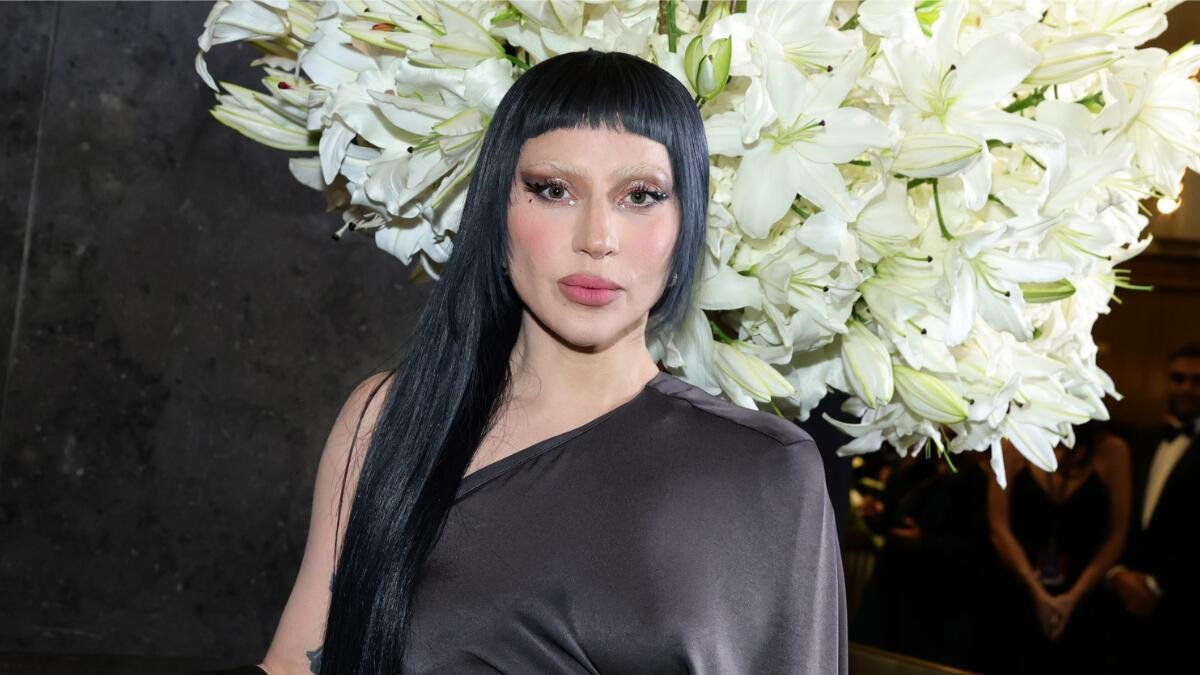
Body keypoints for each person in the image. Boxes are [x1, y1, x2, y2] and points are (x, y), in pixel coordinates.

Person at [202, 49, 846, 674]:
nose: (596, 238)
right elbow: (295, 664)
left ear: (687, 225)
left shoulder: (763, 470)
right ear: (498, 209)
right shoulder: (390, 419)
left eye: (640, 196)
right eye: (554, 190)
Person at [983, 422, 1131, 674]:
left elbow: (1117, 535)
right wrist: (1034, 589)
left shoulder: (1112, 450)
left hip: (1083, 598)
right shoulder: (1013, 441)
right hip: (1016, 592)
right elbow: (998, 526)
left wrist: (1072, 597)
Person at [849, 449, 992, 671]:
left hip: (937, 603)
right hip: (891, 590)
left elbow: (977, 546)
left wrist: (924, 541)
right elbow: (891, 510)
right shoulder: (915, 465)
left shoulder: (975, 477)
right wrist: (876, 513)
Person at [1105, 343, 1200, 673]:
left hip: (1186, 608)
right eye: (1178, 378)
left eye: (1197, 381)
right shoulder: (1137, 442)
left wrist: (1157, 584)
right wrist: (1116, 572)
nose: (1186, 388)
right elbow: (1114, 513)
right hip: (1121, 602)